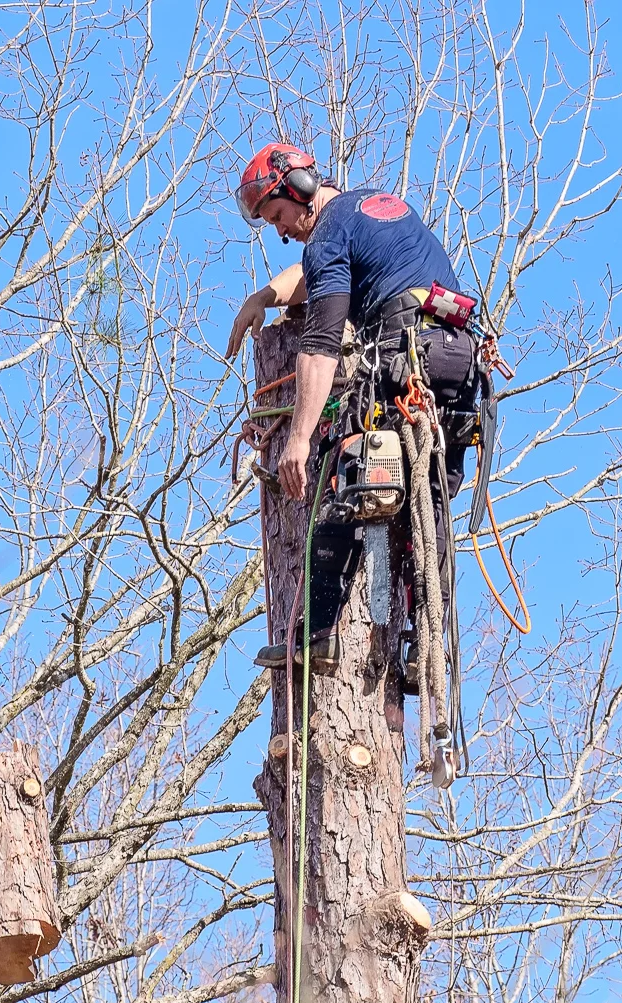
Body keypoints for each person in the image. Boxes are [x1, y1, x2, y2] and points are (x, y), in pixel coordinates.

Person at [227, 143, 480, 663]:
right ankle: (426, 647)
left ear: (298, 190)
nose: (279, 230)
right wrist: (265, 297)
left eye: (278, 215)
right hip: (456, 367)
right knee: (421, 508)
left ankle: (314, 636)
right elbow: (315, 273)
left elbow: (319, 344)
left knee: (346, 475)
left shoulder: (328, 235)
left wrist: (297, 440)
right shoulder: (369, 209)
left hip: (405, 362)